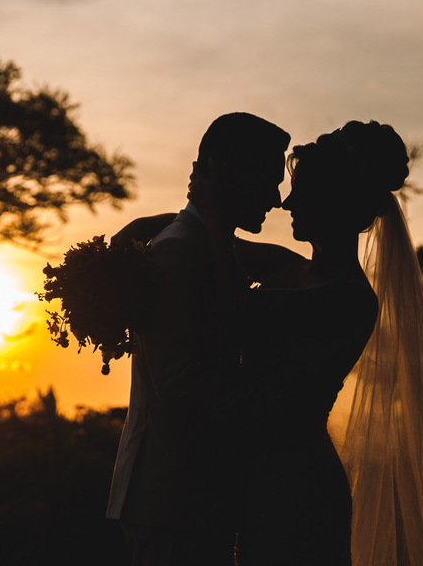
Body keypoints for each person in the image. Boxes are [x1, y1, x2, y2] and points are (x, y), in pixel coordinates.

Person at [156, 120, 423, 565]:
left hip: (298, 486)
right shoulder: (290, 266)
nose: (287, 203)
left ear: (335, 201)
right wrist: (141, 234)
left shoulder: (349, 299)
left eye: (302, 192)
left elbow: (235, 312)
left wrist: (211, 216)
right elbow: (203, 245)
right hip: (258, 475)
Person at [106, 112, 291, 566]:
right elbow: (179, 382)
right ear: (227, 170)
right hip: (173, 500)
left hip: (188, 499)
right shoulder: (177, 251)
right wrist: (275, 409)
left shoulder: (203, 246)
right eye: (269, 179)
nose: (276, 198)